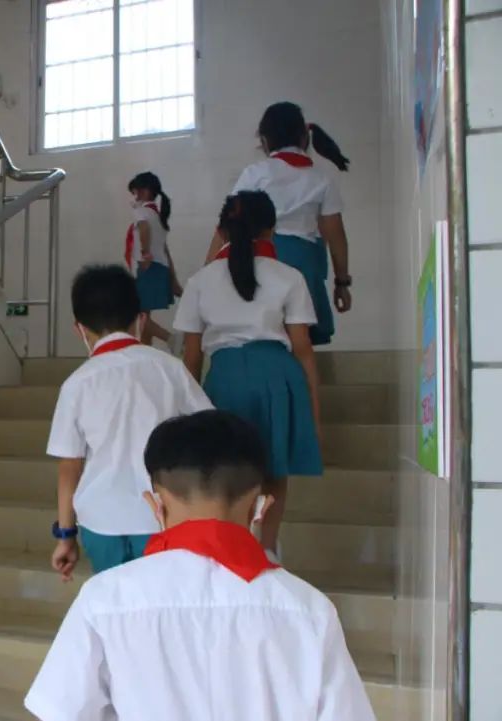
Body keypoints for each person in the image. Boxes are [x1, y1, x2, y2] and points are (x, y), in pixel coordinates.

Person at [25, 410, 376, 721]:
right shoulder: (310, 610)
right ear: (261, 508)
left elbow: (60, 711)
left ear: (156, 506)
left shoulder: (104, 599)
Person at [175, 191, 322, 556]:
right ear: (271, 230)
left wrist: (187, 411)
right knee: (274, 469)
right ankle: (266, 550)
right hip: (278, 375)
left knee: (226, 469)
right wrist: (314, 409)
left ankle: (231, 545)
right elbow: (303, 348)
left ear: (221, 231)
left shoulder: (200, 281)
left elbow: (191, 355)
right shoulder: (289, 276)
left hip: (224, 378)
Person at [46, 264, 211, 579]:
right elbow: (207, 431)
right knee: (161, 602)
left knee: (116, 604)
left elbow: (69, 467)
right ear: (141, 320)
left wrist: (66, 535)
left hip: (100, 521)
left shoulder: (77, 385)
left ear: (79, 329)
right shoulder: (170, 369)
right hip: (164, 516)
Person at [205, 101, 352, 346]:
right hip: (305, 266)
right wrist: (342, 282)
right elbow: (336, 235)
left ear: (264, 140)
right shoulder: (321, 179)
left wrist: (208, 271)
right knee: (300, 338)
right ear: (305, 137)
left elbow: (228, 225)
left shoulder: (255, 174)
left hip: (260, 261)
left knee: (262, 332)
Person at [124, 172, 183, 352]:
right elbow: (165, 250)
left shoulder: (142, 212)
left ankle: (171, 339)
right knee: (144, 315)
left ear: (145, 191)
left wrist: (145, 253)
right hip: (159, 267)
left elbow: (144, 229)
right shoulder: (157, 216)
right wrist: (172, 277)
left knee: (138, 316)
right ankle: (145, 351)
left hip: (148, 267)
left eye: (135, 192)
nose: (134, 197)